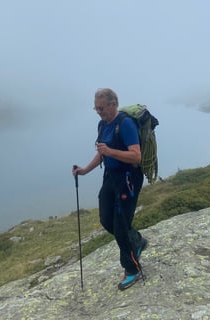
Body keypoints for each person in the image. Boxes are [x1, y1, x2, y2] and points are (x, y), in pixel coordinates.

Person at [72, 88, 148, 290]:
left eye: (102, 108)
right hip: (111, 177)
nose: (99, 112)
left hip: (128, 178)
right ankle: (137, 240)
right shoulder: (102, 124)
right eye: (96, 108)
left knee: (121, 227)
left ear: (113, 104)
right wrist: (85, 170)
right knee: (106, 219)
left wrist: (110, 151)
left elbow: (136, 156)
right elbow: (101, 152)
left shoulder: (126, 124)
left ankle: (132, 270)